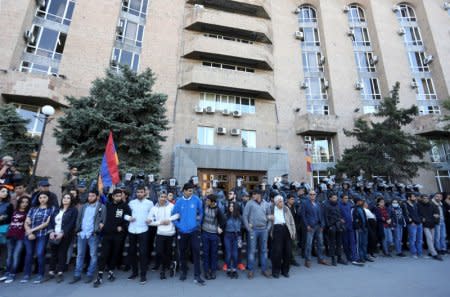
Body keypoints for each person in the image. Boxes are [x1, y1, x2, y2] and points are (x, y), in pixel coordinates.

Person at [93, 189, 130, 287]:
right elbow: (100, 215)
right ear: (113, 196)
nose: (119, 197)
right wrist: (100, 223)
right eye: (117, 196)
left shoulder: (125, 206)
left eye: (120, 195)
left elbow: (128, 219)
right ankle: (100, 275)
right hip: (107, 234)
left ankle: (111, 271)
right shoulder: (107, 205)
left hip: (118, 235)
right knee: (104, 254)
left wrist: (122, 227)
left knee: (115, 254)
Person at [172, 183, 205, 285]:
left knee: (196, 252)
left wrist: (198, 223)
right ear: (184, 191)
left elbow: (201, 212)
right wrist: (179, 226)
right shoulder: (179, 201)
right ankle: (183, 272)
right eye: (189, 191)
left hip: (194, 231)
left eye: (192, 191)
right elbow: (173, 215)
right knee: (182, 252)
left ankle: (197, 275)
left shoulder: (196, 200)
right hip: (182, 232)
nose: (191, 192)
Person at [70, 190, 106, 284]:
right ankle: (77, 275)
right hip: (82, 234)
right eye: (89, 196)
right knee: (79, 255)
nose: (90, 197)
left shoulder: (102, 207)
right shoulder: (84, 206)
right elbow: (79, 218)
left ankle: (90, 274)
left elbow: (103, 220)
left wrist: (98, 228)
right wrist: (78, 230)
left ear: (97, 197)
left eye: (92, 196)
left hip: (93, 234)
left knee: (93, 255)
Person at [22, 192, 54, 283]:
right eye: (40, 197)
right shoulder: (33, 209)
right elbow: (26, 222)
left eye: (44, 197)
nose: (42, 199)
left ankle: (40, 274)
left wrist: (32, 230)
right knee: (29, 254)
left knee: (40, 254)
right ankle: (26, 274)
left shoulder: (50, 209)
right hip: (29, 234)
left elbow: (46, 224)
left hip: (42, 235)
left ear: (48, 198)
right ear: (38, 199)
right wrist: (29, 232)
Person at [124, 185, 153, 285]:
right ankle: (134, 272)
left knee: (143, 253)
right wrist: (129, 218)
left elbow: (153, 214)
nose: (139, 194)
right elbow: (125, 214)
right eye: (138, 192)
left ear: (145, 192)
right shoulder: (131, 203)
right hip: (132, 230)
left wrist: (150, 219)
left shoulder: (149, 203)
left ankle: (143, 275)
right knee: (132, 252)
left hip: (143, 230)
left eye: (141, 192)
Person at [148, 190, 179, 280]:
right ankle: (168, 265)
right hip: (160, 233)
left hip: (170, 233)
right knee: (159, 251)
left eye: (165, 197)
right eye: (161, 197)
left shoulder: (172, 206)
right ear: (158, 197)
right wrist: (160, 223)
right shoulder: (154, 208)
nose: (163, 199)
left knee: (168, 252)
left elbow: (177, 215)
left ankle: (163, 270)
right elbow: (149, 221)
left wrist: (169, 219)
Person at [48, 193, 78, 282]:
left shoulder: (73, 210)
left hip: (65, 235)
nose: (65, 199)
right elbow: (50, 222)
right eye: (64, 198)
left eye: (68, 198)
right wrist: (51, 232)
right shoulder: (56, 209)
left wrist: (63, 232)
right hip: (54, 234)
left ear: (71, 200)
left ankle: (60, 271)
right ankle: (51, 271)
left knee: (62, 253)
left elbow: (71, 223)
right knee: (53, 253)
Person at [242, 189, 272, 279]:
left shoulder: (266, 204)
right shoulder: (250, 203)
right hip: (253, 230)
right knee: (251, 251)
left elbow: (270, 216)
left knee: (263, 250)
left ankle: (264, 269)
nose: (252, 196)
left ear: (259, 195)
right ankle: (250, 270)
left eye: (254, 194)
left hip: (264, 230)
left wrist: (268, 228)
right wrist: (248, 228)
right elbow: (245, 216)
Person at [0, 196, 30, 283]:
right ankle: (7, 273)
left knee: (16, 255)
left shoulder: (28, 213)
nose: (24, 204)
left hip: (20, 237)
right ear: (19, 202)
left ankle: (12, 274)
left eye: (26, 202)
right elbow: (10, 222)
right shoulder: (14, 211)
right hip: (10, 235)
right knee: (9, 256)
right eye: (22, 202)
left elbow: (27, 225)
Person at [301, 190, 329, 268]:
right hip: (310, 226)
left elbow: (322, 215)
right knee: (309, 244)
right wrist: (307, 225)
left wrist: (322, 225)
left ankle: (320, 258)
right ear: (308, 195)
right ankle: (308, 260)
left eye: (314, 194)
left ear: (315, 195)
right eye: (311, 194)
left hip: (319, 226)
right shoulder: (305, 203)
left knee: (320, 243)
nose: (312, 195)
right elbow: (303, 216)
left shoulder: (318, 203)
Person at [270, 195, 296, 278]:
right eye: (280, 201)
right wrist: (269, 217)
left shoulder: (286, 208)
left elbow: (291, 221)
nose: (282, 202)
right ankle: (276, 271)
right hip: (277, 230)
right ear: (276, 202)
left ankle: (285, 271)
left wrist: (293, 232)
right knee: (277, 252)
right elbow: (265, 217)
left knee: (287, 252)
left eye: (282, 201)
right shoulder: (271, 209)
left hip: (286, 229)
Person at [201, 194, 225, 280]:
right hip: (205, 233)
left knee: (214, 253)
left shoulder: (218, 210)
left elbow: (223, 221)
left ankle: (213, 271)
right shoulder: (204, 206)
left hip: (213, 234)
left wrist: (220, 228)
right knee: (206, 253)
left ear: (212, 202)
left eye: (208, 200)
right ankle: (206, 271)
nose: (206, 201)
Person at [323, 193, 347, 266]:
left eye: (336, 198)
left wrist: (341, 220)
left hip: (338, 226)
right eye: (333, 198)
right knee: (332, 243)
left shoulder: (337, 205)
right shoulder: (326, 206)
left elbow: (339, 215)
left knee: (339, 243)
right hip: (332, 226)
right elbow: (326, 217)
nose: (335, 199)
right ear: (330, 198)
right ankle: (333, 258)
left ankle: (339, 258)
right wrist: (329, 226)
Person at [418, 194, 443, 261]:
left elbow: (437, 215)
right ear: (422, 199)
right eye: (424, 198)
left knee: (432, 239)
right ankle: (434, 253)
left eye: (426, 198)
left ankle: (430, 251)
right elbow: (419, 215)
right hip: (425, 225)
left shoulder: (433, 205)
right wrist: (422, 219)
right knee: (429, 238)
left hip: (432, 225)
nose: (425, 199)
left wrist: (435, 221)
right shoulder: (419, 205)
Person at [224, 201, 241, 279]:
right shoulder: (226, 216)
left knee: (235, 254)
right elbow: (221, 224)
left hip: (236, 236)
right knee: (228, 254)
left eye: (232, 206)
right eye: (230, 206)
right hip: (227, 235)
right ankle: (228, 269)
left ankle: (234, 270)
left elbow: (242, 227)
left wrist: (240, 239)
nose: (231, 207)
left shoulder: (239, 217)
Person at [403, 192, 423, 258]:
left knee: (419, 239)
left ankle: (420, 253)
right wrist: (411, 222)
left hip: (419, 223)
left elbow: (420, 213)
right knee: (412, 239)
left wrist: (420, 221)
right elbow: (405, 215)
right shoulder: (405, 205)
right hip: (412, 224)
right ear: (409, 198)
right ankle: (414, 253)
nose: (415, 198)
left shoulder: (416, 204)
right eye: (413, 197)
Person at [0, 185, 13, 270]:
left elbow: (10, 217)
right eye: (3, 191)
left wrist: (3, 217)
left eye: (6, 192)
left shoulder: (8, 204)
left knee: (4, 247)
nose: (5, 193)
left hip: (4, 228)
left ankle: (3, 266)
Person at [352, 196, 369, 264]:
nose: (362, 202)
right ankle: (360, 257)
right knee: (359, 244)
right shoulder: (354, 209)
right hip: (359, 229)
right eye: (360, 201)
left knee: (364, 243)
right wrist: (358, 228)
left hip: (364, 228)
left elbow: (365, 218)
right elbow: (354, 220)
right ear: (357, 202)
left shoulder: (362, 208)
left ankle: (365, 256)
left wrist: (366, 226)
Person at [285, 194, 300, 266]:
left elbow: (296, 217)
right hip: (286, 229)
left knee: (294, 244)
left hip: (294, 228)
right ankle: (286, 259)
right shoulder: (284, 207)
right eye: (291, 199)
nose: (293, 201)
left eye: (293, 199)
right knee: (287, 245)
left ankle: (292, 259)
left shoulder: (294, 207)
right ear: (287, 199)